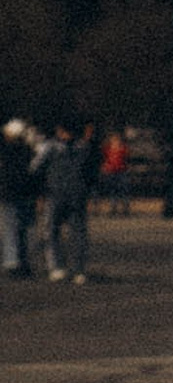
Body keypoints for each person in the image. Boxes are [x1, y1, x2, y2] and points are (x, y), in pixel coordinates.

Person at [37, 124, 98, 284]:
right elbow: (92, 173)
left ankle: (60, 268)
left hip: (59, 195)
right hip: (72, 195)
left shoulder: (51, 148)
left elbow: (37, 169)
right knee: (73, 233)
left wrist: (40, 193)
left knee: (56, 232)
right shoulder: (83, 148)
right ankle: (75, 269)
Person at [0, 119, 35, 276]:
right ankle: (23, 260)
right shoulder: (27, 150)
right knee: (23, 228)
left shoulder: (7, 151)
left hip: (10, 193)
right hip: (26, 192)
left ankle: (12, 261)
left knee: (11, 228)